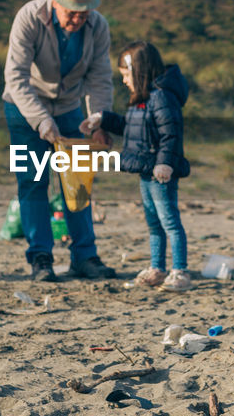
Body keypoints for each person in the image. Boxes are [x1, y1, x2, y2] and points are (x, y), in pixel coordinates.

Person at [3, 0, 117, 282]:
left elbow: (100, 78)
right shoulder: (29, 16)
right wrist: (41, 120)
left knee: (78, 184)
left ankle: (85, 256)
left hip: (70, 109)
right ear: (55, 1)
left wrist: (99, 120)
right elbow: (15, 76)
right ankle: (41, 258)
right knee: (33, 181)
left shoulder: (98, 26)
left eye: (85, 13)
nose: (78, 19)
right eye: (72, 12)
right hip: (23, 108)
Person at [81, 42, 193, 292]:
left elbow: (171, 134)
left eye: (126, 75)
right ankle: (157, 268)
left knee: (169, 222)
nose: (123, 81)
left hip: (160, 173)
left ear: (140, 71)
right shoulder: (141, 100)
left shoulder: (162, 97)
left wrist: (165, 163)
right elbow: (131, 129)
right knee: (153, 222)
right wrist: (104, 120)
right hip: (145, 171)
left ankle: (180, 271)